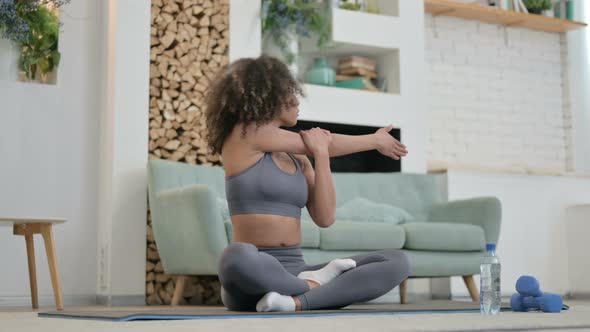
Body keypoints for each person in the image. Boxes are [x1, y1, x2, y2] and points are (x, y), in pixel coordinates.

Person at [204, 55, 410, 312]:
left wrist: (321, 157)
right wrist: (374, 140)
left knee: (396, 261)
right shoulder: (244, 136)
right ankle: (314, 287)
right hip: (252, 276)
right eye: (289, 93)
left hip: (295, 268)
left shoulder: (300, 157)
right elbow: (330, 141)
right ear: (267, 96)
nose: (296, 101)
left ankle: (294, 302)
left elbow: (325, 218)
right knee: (235, 257)